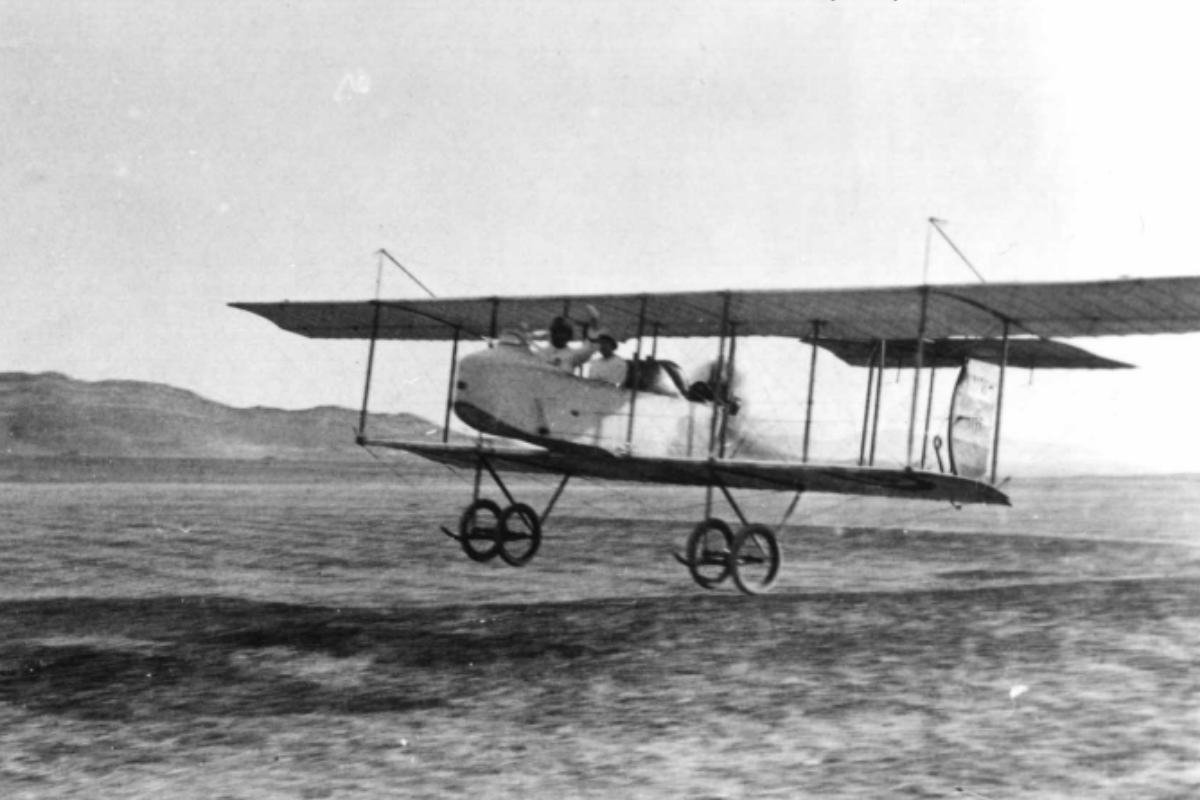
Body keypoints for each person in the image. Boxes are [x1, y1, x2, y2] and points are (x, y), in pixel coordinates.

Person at [533, 307, 599, 373]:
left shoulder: (573, 355)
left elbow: (590, 348)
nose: (560, 336)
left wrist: (594, 322)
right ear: (552, 334)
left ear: (569, 337)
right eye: (557, 332)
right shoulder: (539, 353)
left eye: (564, 333)